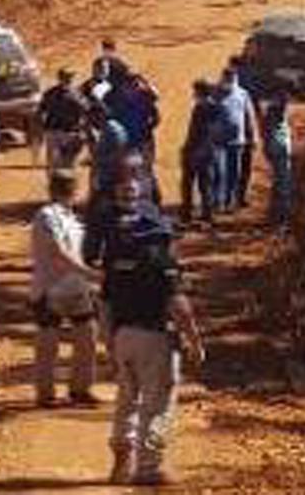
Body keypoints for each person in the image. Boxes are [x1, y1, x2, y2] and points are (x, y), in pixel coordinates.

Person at [88, 176, 204, 486]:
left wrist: (108, 341)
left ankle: (121, 461)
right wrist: (194, 340)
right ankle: (148, 469)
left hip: (123, 336)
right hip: (155, 338)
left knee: (127, 400)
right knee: (157, 404)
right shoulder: (162, 261)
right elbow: (178, 305)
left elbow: (105, 303)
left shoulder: (116, 261)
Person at [30, 170, 103, 408]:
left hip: (77, 287)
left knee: (87, 336)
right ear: (74, 190)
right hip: (52, 287)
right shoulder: (47, 215)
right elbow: (57, 251)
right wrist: (89, 273)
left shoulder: (73, 218)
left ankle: (80, 389)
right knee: (49, 340)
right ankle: (46, 394)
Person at [213, 68, 258, 214]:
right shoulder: (215, 93)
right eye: (227, 78)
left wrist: (253, 137)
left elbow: (249, 116)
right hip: (218, 141)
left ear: (236, 78)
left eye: (232, 78)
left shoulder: (243, 94)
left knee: (235, 173)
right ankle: (217, 202)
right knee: (219, 172)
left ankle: (229, 202)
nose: (229, 80)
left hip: (238, 141)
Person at [179, 80, 217, 225]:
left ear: (199, 92)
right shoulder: (215, 107)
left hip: (196, 151)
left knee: (187, 184)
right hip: (209, 151)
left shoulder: (200, 107)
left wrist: (188, 149)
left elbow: (195, 132)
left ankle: (186, 216)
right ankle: (207, 215)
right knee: (205, 184)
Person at [38, 69, 88, 174]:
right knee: (69, 165)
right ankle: (66, 188)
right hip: (69, 133)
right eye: (69, 77)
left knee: (53, 166)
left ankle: (54, 188)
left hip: (54, 132)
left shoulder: (49, 93)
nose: (69, 79)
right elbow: (85, 111)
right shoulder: (77, 94)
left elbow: (40, 112)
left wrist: (43, 129)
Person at [263, 90, 293, 226]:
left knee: (278, 183)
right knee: (283, 184)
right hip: (279, 150)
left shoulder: (272, 111)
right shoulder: (275, 112)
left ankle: (274, 215)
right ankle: (282, 218)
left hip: (277, 149)